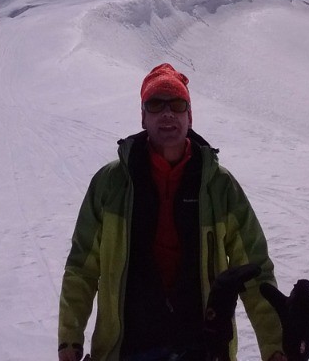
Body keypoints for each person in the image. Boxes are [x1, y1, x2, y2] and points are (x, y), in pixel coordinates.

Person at [58, 63, 285, 361]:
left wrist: (275, 348)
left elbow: (256, 271)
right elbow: (81, 269)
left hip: (203, 346)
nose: (167, 113)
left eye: (177, 104)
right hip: (127, 348)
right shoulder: (110, 184)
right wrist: (69, 341)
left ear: (189, 116)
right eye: (155, 104)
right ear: (143, 117)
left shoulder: (219, 186)